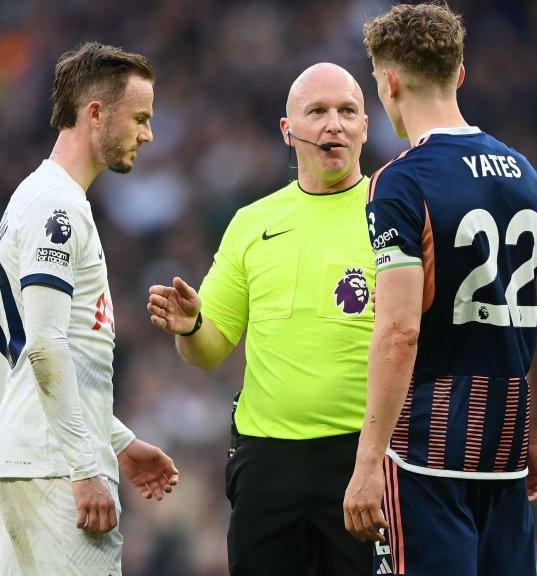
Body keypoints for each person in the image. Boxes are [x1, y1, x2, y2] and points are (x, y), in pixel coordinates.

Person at [343, 4, 537, 575]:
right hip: (506, 455)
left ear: (389, 82)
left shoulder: (399, 181)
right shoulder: (527, 174)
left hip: (427, 457)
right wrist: (535, 436)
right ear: (459, 74)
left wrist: (368, 463)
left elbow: (398, 328)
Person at [146, 63, 374, 575]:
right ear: (287, 130)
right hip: (268, 462)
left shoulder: (392, 212)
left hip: (363, 456)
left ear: (365, 126)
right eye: (316, 112)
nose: (332, 124)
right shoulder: (252, 223)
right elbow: (210, 347)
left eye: (347, 112)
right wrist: (189, 328)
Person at [0, 42, 178, 576]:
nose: (148, 133)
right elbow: (46, 348)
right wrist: (85, 464)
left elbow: (41, 351)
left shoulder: (46, 197)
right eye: (140, 118)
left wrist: (115, 440)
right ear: (95, 113)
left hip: (34, 456)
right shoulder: (56, 206)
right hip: (53, 467)